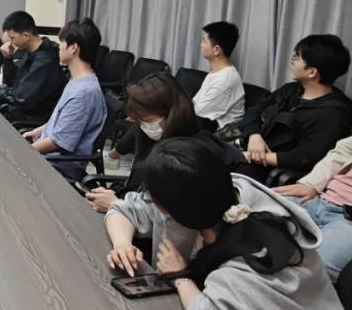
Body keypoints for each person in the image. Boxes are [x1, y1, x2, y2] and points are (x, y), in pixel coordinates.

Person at [105, 137, 345, 310]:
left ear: (172, 211)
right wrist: (122, 244)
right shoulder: (207, 192)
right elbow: (125, 209)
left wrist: (180, 277)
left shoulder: (256, 249)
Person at [86, 73, 241, 213]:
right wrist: (113, 195)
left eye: (146, 120)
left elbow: (171, 215)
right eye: (139, 121)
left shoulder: (191, 155)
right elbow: (136, 185)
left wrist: (118, 204)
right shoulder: (152, 139)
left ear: (172, 114)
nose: (143, 126)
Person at [238, 34, 352, 183]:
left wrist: (255, 156)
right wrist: (254, 136)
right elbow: (254, 111)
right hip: (249, 147)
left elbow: (305, 158)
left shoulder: (335, 113)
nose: (292, 61)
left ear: (311, 72)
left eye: (297, 58)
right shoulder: (291, 90)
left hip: (265, 167)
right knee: (208, 145)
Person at [21, 18, 106, 181]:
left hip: (57, 166)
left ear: (73, 48)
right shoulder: (77, 81)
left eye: (62, 42)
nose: (59, 47)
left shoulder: (84, 93)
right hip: (49, 157)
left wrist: (24, 151)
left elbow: (59, 141)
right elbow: (62, 122)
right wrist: (39, 131)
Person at [275, 134, 352, 282]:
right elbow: (345, 149)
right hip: (318, 197)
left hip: (350, 221)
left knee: (311, 271)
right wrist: (312, 183)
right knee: (250, 221)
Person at [0, 10, 65, 123]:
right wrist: (8, 58)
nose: (10, 43)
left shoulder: (44, 60)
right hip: (19, 112)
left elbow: (21, 98)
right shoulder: (30, 53)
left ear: (25, 36)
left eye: (12, 38)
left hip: (31, 118)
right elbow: (12, 84)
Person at [193, 21, 246, 130]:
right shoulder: (216, 73)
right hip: (204, 127)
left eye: (204, 41)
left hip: (217, 135)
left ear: (216, 49)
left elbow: (199, 113)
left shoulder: (227, 79)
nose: (201, 45)